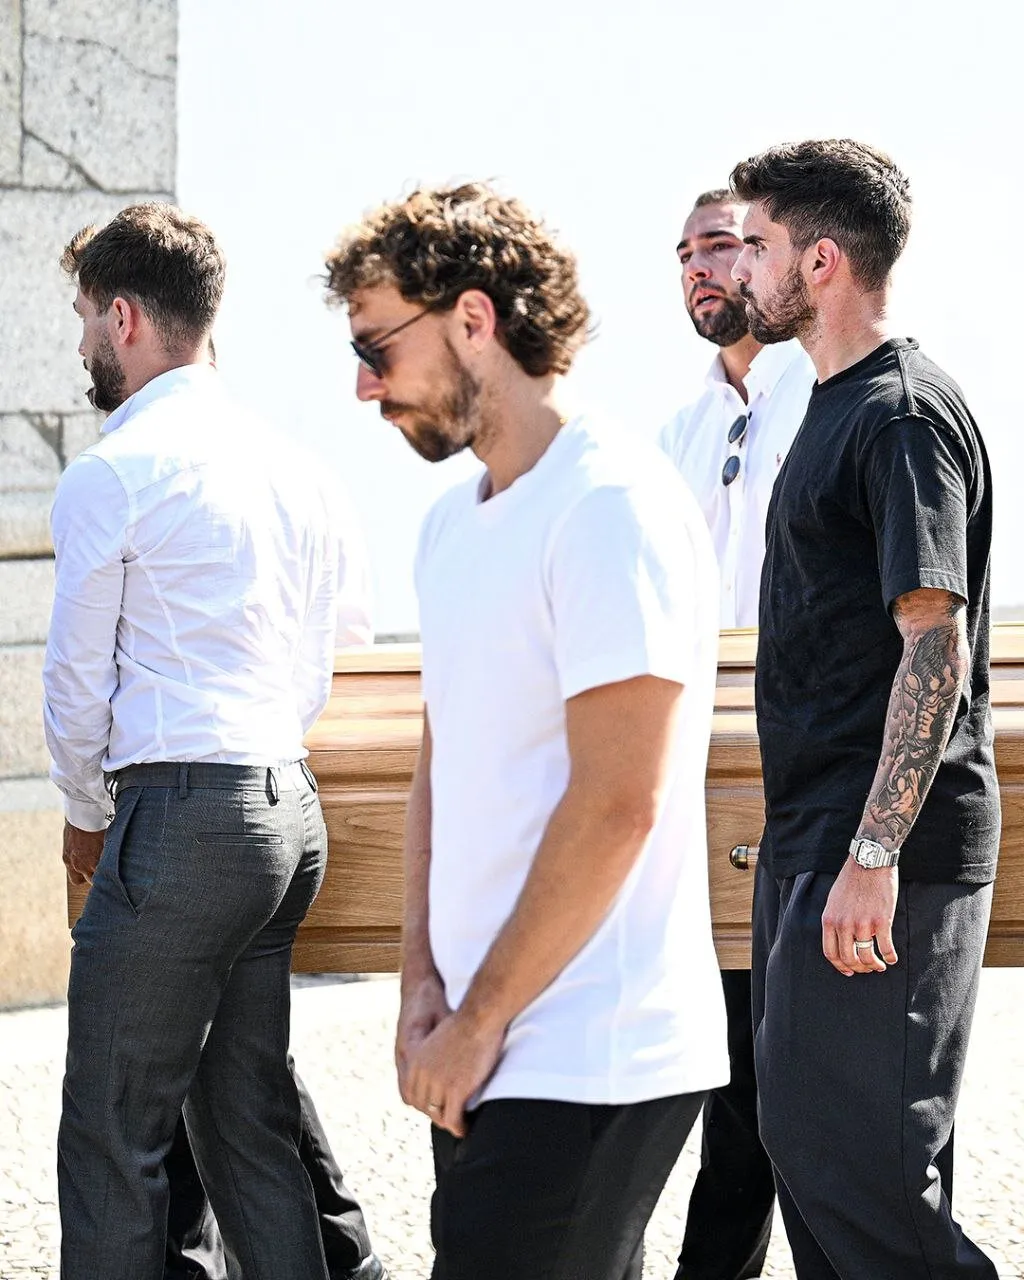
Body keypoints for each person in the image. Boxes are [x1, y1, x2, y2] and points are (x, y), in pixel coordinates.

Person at [323, 182, 729, 1280]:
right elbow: (442, 766)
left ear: (472, 318)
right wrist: (423, 986)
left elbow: (619, 801)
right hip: (485, 1042)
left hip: (592, 1046)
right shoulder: (449, 526)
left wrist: (477, 1020)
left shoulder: (611, 505)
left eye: (376, 347)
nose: (363, 385)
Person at [44, 203, 361, 1280]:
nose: (82, 341)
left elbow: (76, 683)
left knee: (113, 1135)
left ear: (124, 318)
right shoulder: (296, 467)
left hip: (181, 822)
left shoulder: (114, 473)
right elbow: (316, 663)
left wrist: (86, 816)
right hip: (285, 808)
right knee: (246, 1126)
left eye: (85, 316)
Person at [729, 140, 999, 1278]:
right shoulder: (830, 404)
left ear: (821, 260)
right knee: (804, 1145)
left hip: (883, 854)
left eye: (757, 244)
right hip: (814, 838)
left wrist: (875, 850)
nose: (739, 267)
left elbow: (934, 644)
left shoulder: (900, 415)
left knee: (867, 1173)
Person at [158, 346, 388, 1280]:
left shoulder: (152, 478)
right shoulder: (297, 473)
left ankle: (326, 1253)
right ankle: (336, 1254)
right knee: (236, 1070)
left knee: (221, 1073)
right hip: (280, 791)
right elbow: (344, 645)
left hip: (205, 804)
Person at [659, 189, 815, 1280]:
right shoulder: (677, 431)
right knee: (725, 1068)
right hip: (696, 778)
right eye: (683, 254)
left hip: (805, 769)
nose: (698, 268)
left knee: (793, 1081)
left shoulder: (827, 399)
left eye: (719, 244)